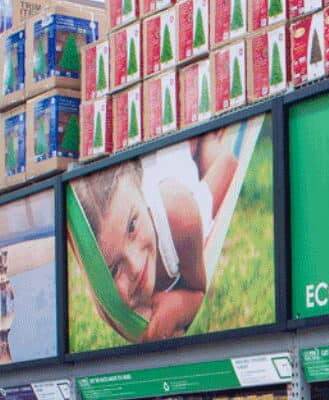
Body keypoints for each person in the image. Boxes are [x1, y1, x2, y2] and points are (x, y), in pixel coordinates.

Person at [71, 129, 238, 341]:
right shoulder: (108, 300)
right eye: (113, 269)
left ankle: (202, 137)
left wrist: (178, 307)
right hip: (159, 156)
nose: (135, 265)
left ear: (142, 191)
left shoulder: (179, 215)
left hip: (176, 156)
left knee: (216, 156)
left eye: (132, 226)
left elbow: (198, 290)